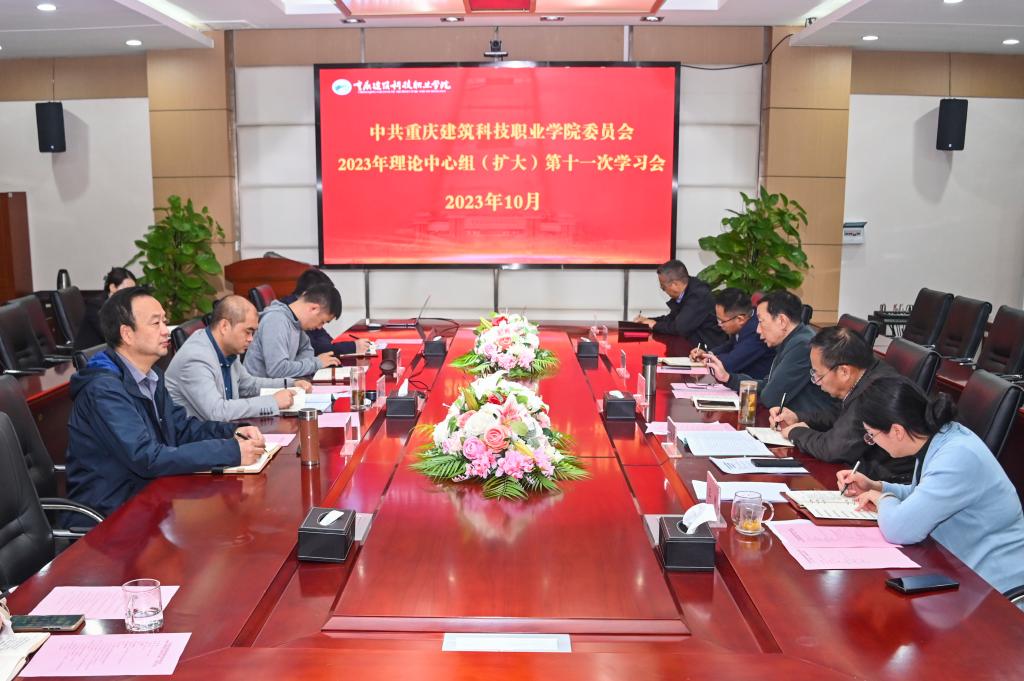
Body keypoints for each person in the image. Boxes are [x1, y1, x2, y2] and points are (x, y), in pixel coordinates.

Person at [66, 287, 265, 518]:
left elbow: (180, 428)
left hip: (151, 500)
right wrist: (230, 451)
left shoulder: (152, 376)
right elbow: (147, 457)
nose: (165, 331)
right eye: (155, 323)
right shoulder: (103, 390)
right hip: (111, 514)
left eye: (164, 321)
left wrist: (232, 432)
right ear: (127, 334)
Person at [838, 377, 1024, 596]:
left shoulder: (956, 456)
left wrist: (883, 499)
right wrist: (876, 487)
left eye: (872, 435)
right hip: (958, 567)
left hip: (995, 588)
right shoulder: (937, 436)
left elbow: (899, 529)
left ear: (897, 431)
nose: (872, 441)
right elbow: (921, 495)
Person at [769, 326, 912, 482]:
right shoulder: (868, 372)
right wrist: (797, 417)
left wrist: (795, 432)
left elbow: (833, 449)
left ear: (844, 372)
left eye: (818, 374)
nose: (817, 381)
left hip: (888, 480)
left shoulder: (873, 392)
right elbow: (839, 413)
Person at [166, 296, 313, 421]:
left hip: (223, 431)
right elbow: (217, 412)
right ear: (224, 326)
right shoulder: (195, 358)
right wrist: (273, 402)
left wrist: (290, 383)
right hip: (198, 439)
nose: (251, 339)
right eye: (248, 332)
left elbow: (248, 385)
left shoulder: (227, 347)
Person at [704, 290, 838, 414]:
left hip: (809, 424)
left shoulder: (802, 346)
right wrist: (728, 378)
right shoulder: (791, 340)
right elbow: (767, 384)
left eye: (761, 321)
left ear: (782, 321)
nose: (758, 330)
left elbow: (770, 398)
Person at [244, 283, 343, 379]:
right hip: (261, 388)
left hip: (283, 385)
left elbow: (307, 350)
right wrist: (315, 363)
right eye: (322, 322)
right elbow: (277, 370)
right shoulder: (276, 320)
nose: (320, 327)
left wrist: (299, 366)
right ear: (314, 308)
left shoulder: (296, 323)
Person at [633, 260, 726, 348]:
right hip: (691, 347)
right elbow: (672, 319)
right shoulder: (687, 291)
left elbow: (680, 328)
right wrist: (647, 320)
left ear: (675, 285)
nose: (662, 289)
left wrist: (654, 325)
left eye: (663, 287)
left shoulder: (698, 295)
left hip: (708, 350)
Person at [280, 269, 371, 356]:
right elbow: (314, 348)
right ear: (310, 294)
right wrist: (352, 347)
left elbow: (322, 339)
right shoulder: (282, 317)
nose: (319, 326)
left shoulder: (308, 315)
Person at [689, 287, 774, 379]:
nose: (719, 324)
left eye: (722, 321)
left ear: (740, 319)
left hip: (753, 384)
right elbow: (730, 345)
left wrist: (707, 360)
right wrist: (707, 354)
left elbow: (731, 363)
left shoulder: (757, 332)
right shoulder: (747, 318)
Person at [74, 267, 136, 349]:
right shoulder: (96, 306)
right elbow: (110, 335)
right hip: (91, 354)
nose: (130, 294)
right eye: (127, 290)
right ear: (113, 287)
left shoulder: (124, 305)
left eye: (132, 290)